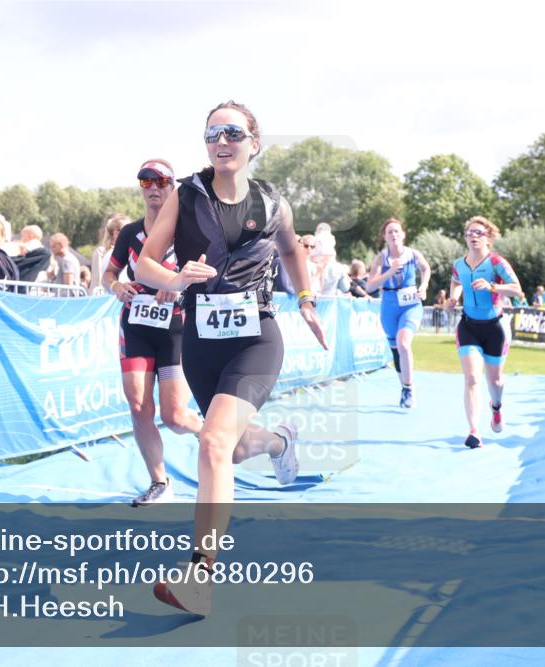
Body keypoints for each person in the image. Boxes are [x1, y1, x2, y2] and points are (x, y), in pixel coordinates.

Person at [135, 100, 326, 615]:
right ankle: (278, 440)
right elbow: (146, 261)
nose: (222, 141)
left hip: (256, 337)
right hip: (200, 340)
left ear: (253, 142)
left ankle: (200, 576)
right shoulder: (186, 195)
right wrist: (174, 281)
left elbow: (291, 252)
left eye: (233, 132)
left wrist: (305, 300)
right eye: (212, 133)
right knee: (234, 449)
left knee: (213, 442)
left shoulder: (273, 203)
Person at [102, 159, 205, 507]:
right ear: (141, 189)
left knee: (174, 417)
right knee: (138, 406)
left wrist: (178, 288)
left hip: (175, 331)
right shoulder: (130, 233)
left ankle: (216, 436)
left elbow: (207, 277)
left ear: (172, 187)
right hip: (136, 327)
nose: (155, 188)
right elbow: (109, 275)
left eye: (162, 182)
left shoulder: (187, 234)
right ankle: (159, 481)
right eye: (147, 182)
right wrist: (116, 287)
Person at [447, 216, 521, 449]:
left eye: (478, 233)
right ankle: (474, 431)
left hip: (495, 328)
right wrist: (453, 298)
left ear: (488, 237)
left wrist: (492, 286)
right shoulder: (459, 264)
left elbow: (517, 290)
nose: (473, 236)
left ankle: (496, 407)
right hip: (468, 326)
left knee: (496, 381)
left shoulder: (497, 262)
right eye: (469, 233)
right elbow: (456, 281)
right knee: (471, 378)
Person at [366, 218, 431, 408]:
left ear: (403, 234)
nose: (394, 235)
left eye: (396, 231)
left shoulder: (413, 254)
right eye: (389, 232)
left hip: (410, 304)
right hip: (389, 305)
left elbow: (426, 268)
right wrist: (390, 272)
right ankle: (404, 386)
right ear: (385, 237)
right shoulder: (381, 258)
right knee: (396, 349)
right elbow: (370, 286)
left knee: (404, 343)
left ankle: (409, 389)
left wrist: (424, 285)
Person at [91, 213, 129, 295]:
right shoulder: (111, 254)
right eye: (128, 230)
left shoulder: (118, 252)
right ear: (116, 233)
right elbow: (98, 279)